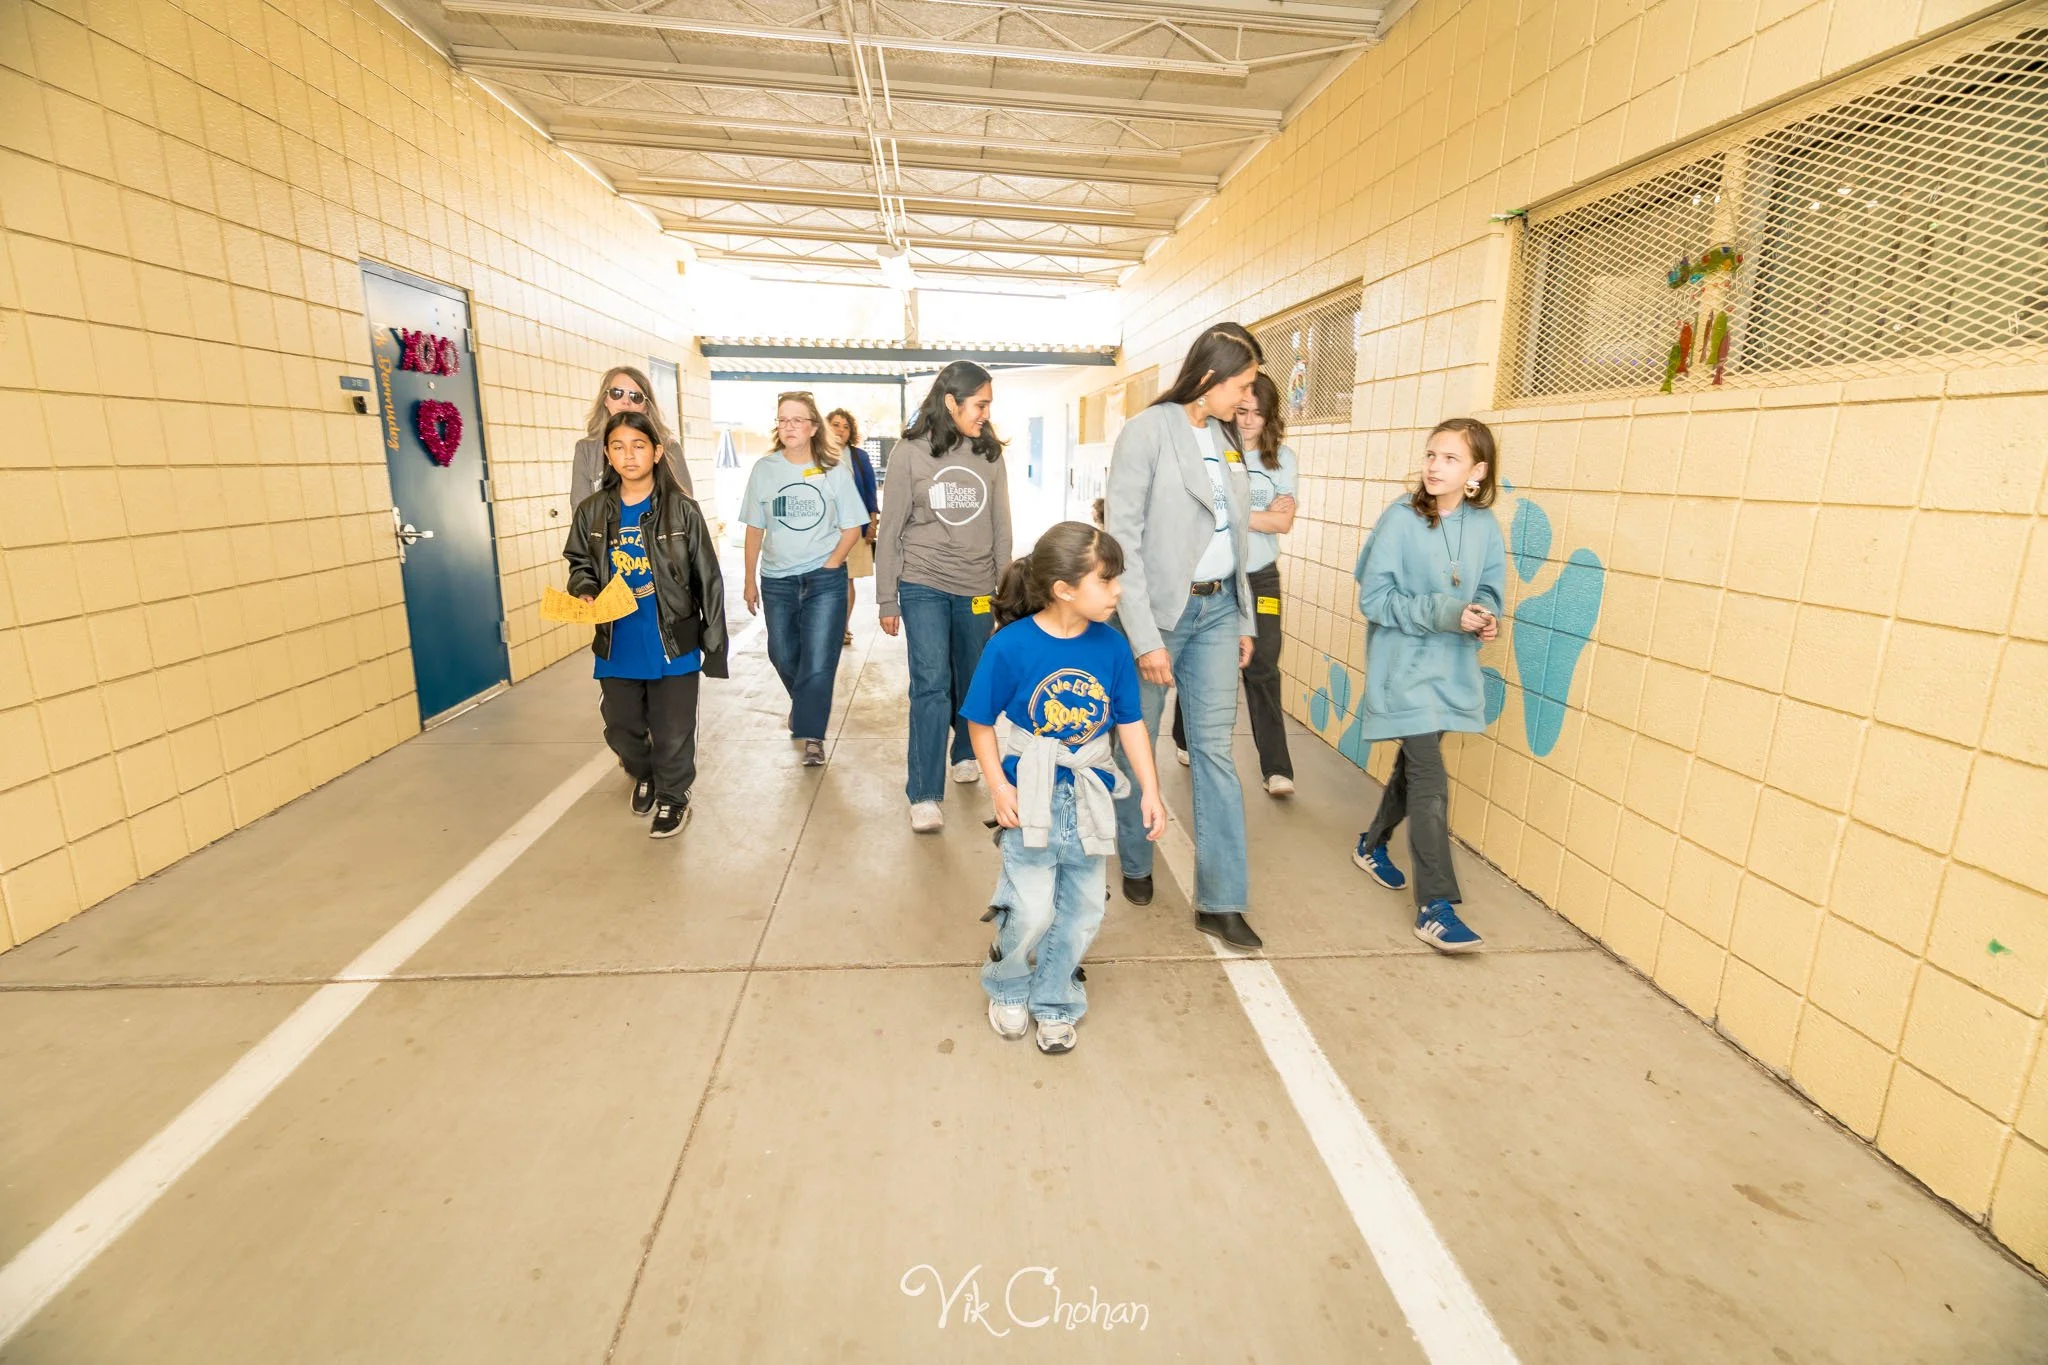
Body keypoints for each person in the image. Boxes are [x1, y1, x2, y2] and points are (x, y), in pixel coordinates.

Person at [963, 521, 1165, 1054]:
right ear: (1064, 590)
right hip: (1030, 793)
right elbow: (979, 722)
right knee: (1031, 908)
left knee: (1082, 912)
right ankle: (1008, 983)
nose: (1118, 590)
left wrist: (1150, 789)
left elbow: (1130, 723)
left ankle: (1055, 998)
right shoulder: (1011, 645)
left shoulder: (1112, 646)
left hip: (1089, 794)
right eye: (1106, 580)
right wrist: (998, 787)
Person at [1104, 327, 1263, 950]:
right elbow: (1123, 540)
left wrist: (1244, 617)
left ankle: (1221, 901)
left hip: (1220, 610)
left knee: (1215, 752)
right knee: (1134, 743)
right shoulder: (1148, 432)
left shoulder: (1227, 439)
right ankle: (1136, 859)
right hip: (1159, 615)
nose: (1247, 397)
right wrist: (1145, 638)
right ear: (1210, 375)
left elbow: (1236, 534)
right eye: (1242, 384)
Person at [1350, 418, 1506, 953]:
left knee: (1416, 769)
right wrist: (1447, 612)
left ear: (1477, 471)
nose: (1435, 466)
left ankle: (1371, 844)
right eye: (1431, 455)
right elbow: (1374, 599)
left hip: (1452, 670)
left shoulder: (1484, 525)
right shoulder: (1400, 518)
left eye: (1450, 458)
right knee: (1431, 778)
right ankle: (1435, 907)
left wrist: (1486, 616)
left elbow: (1489, 588)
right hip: (1403, 670)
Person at [563, 411, 727, 837]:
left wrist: (713, 643)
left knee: (673, 730)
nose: (629, 455)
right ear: (607, 454)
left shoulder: (682, 510)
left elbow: (708, 577)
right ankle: (645, 773)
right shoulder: (592, 511)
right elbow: (579, 562)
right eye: (618, 447)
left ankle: (673, 796)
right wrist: (585, 588)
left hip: (672, 636)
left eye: (638, 446)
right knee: (623, 729)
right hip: (618, 638)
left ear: (656, 453)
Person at [875, 362, 1014, 834]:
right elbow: (890, 530)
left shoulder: (989, 454)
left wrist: (1005, 593)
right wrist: (887, 598)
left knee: (972, 678)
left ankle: (965, 751)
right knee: (931, 683)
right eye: (980, 404)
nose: (985, 413)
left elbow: (1001, 527)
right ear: (951, 402)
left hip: (977, 586)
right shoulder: (909, 454)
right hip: (923, 582)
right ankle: (924, 794)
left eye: (988, 405)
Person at [1170, 372, 1298, 795]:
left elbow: (1283, 522)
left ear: (1270, 417)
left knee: (1264, 665)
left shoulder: (1282, 459)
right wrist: (1260, 517)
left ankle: (1277, 768)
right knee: (1203, 656)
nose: (1247, 421)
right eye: (1241, 411)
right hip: (1219, 573)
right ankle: (1184, 735)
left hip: (1261, 576)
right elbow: (1204, 514)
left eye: (1258, 414)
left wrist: (1234, 515)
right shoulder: (1214, 450)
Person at [741, 392, 868, 767]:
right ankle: (805, 702)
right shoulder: (764, 470)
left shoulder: (833, 470)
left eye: (797, 420)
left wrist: (831, 565)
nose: (789, 426)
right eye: (783, 420)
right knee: (782, 653)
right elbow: (754, 528)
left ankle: (813, 735)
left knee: (818, 659)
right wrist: (749, 579)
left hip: (823, 580)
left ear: (813, 427)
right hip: (777, 580)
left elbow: (853, 527)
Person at [572, 366, 694, 507]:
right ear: (605, 400)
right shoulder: (586, 449)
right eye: (617, 393)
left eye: (636, 397)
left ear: (646, 406)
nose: (626, 402)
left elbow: (685, 508)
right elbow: (580, 509)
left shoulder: (669, 448)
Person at [827, 408, 881, 648]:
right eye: (836, 425)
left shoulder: (859, 457)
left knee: (847, 579)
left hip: (854, 527)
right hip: (824, 530)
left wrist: (872, 523)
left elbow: (870, 491)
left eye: (846, 426)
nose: (841, 430)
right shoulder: (816, 455)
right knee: (825, 579)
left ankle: (843, 628)